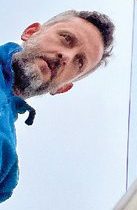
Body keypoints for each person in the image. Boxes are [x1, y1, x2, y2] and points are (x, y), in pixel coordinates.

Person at [0, 10, 115, 203]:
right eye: (66, 39)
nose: (66, 57)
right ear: (31, 32)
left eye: (79, 62)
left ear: (62, 88)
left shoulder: (7, 166)